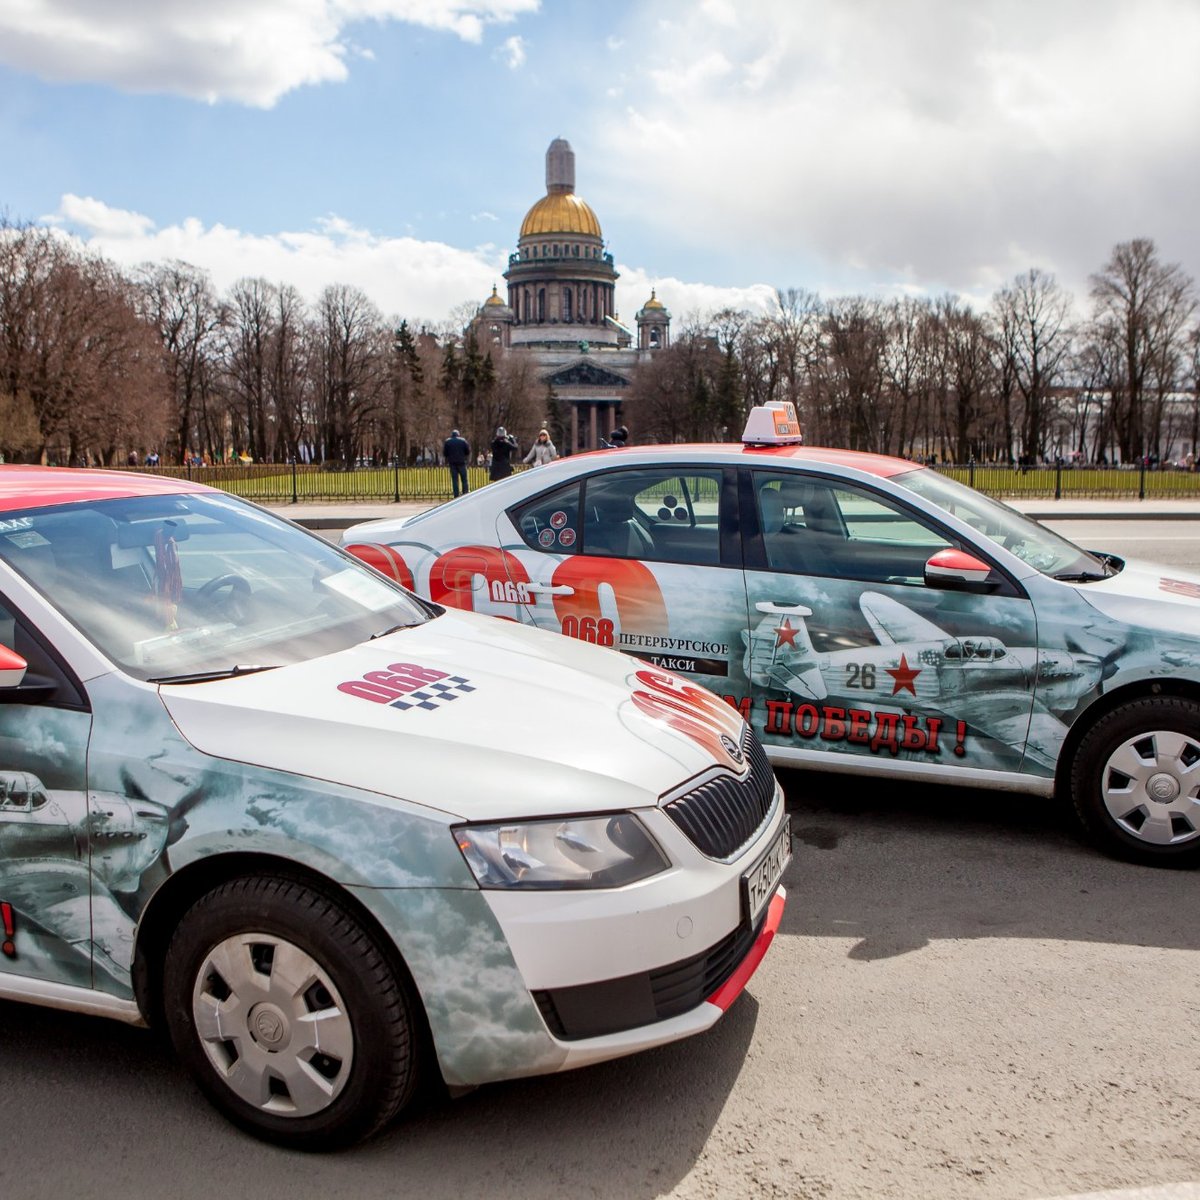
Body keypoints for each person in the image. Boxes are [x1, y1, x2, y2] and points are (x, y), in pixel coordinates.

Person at [443, 428, 471, 497]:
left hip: (452, 463)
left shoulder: (448, 441)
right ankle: (465, 493)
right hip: (461, 462)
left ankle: (456, 495)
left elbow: (445, 453)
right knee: (464, 479)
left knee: (455, 480)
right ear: (458, 435)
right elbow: (467, 451)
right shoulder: (463, 441)